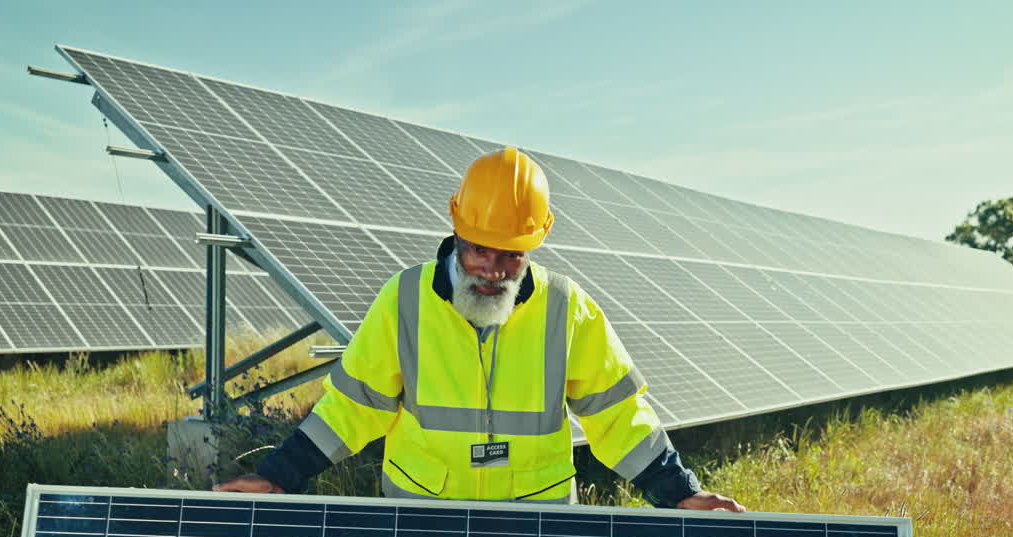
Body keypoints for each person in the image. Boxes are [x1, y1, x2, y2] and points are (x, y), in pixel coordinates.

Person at [215, 147, 744, 513]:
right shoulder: (404, 300)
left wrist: (678, 490)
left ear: (534, 245)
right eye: (478, 250)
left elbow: (617, 414)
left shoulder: (567, 308)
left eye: (510, 255)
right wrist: (280, 474)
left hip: (538, 530)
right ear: (455, 230)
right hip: (425, 524)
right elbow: (352, 406)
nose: (492, 269)